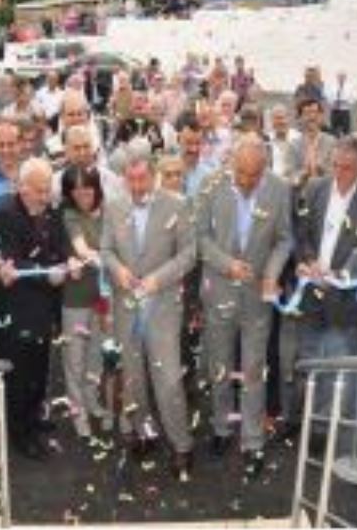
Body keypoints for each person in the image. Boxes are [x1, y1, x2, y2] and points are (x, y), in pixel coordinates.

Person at [197, 134, 292, 478]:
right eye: (241, 173)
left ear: (265, 168)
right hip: (219, 290)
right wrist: (227, 264)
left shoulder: (279, 189)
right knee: (219, 364)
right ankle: (221, 427)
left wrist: (272, 273)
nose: (247, 181)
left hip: (256, 296)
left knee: (254, 369)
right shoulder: (211, 185)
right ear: (231, 164)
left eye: (255, 175)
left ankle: (253, 440)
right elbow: (199, 238)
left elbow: (284, 240)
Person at [101, 153, 196, 481]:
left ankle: (182, 445)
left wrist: (158, 279)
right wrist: (118, 270)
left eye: (143, 179)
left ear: (154, 176)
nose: (137, 186)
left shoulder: (177, 205)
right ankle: (144, 432)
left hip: (163, 305)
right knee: (133, 377)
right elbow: (106, 250)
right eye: (131, 180)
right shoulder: (114, 205)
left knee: (168, 380)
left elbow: (189, 254)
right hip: (126, 305)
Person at [285, 137, 357, 425]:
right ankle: (297, 421)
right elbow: (301, 234)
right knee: (304, 358)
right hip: (311, 291)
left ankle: (323, 425)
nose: (339, 173)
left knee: (335, 362)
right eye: (336, 166)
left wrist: (341, 276)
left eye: (347, 168)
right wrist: (307, 261)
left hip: (344, 300)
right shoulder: (316, 188)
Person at [0, 157, 70, 459]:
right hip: (18, 309)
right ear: (22, 188)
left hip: (44, 307)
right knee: (19, 376)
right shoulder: (6, 214)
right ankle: (20, 433)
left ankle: (35, 417)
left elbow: (60, 247)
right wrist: (46, 272)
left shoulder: (51, 211)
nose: (46, 195)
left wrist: (67, 263)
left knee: (40, 369)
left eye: (48, 188)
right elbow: (12, 261)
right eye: (39, 190)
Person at [60, 165, 110, 439]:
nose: (82, 196)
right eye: (76, 191)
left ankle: (91, 400)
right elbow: (81, 248)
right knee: (75, 358)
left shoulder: (108, 211)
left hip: (102, 297)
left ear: (96, 188)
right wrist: (104, 258)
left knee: (96, 355)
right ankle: (77, 412)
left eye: (87, 190)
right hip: (76, 297)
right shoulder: (69, 215)